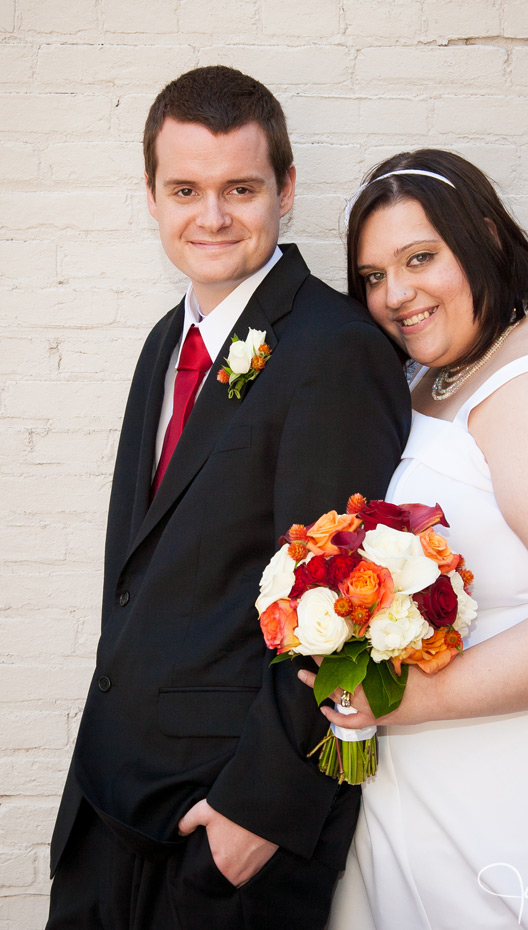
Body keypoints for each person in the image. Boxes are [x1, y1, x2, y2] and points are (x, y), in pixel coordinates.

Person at [45, 66, 412, 930]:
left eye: (240, 188)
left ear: (285, 189)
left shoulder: (335, 350)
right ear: (152, 195)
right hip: (109, 803)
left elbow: (346, 607)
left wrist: (258, 813)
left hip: (227, 832)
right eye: (186, 190)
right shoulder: (164, 343)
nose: (211, 217)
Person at [299, 149, 528, 929]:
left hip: (527, 807)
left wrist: (407, 698)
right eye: (373, 276)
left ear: (484, 239)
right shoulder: (428, 378)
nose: (395, 294)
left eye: (420, 258)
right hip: (425, 807)